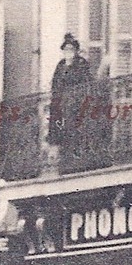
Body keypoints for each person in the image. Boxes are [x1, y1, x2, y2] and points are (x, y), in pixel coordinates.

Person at [49, 33, 98, 173]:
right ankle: (64, 160)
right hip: (62, 105)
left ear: (76, 51)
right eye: (66, 49)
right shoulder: (60, 65)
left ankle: (76, 158)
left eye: (71, 49)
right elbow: (56, 84)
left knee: (76, 130)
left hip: (76, 104)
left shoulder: (81, 64)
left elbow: (86, 84)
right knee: (62, 130)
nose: (68, 52)